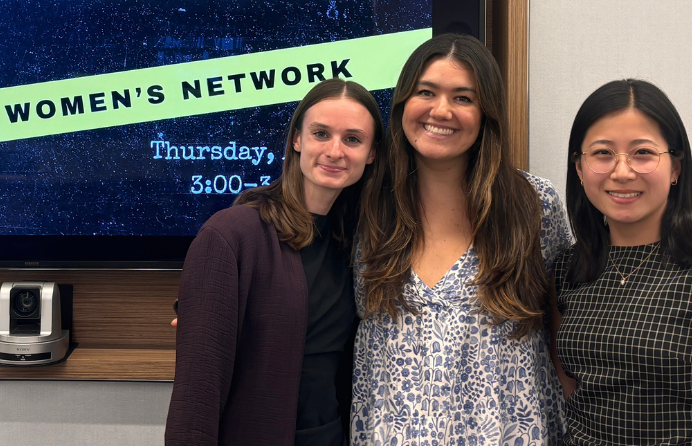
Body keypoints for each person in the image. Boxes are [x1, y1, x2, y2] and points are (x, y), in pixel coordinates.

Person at [352, 33, 573, 445]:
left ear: (486, 112)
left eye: (463, 98)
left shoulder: (533, 206)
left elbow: (564, 338)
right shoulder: (366, 208)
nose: (441, 110)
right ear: (403, 102)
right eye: (426, 92)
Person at [166, 78, 385, 446]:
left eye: (352, 139)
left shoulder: (360, 243)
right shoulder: (233, 233)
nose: (335, 151)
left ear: (372, 153)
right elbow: (196, 400)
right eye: (320, 133)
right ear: (297, 140)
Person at [552, 79, 692, 444]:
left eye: (643, 152)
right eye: (602, 153)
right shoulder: (566, 270)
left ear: (676, 168)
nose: (623, 171)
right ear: (580, 170)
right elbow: (571, 388)